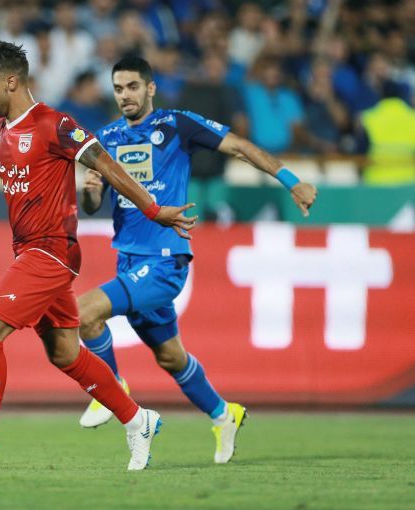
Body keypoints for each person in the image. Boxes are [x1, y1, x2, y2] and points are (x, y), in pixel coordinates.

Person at [0, 39, 197, 471]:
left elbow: (105, 164)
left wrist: (154, 210)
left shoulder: (54, 124)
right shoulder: (0, 132)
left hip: (51, 251)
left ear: (11, 82)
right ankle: (137, 419)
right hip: (29, 250)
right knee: (65, 352)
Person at [76, 56, 317, 464]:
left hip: (165, 260)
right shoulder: (107, 138)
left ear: (150, 88)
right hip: (129, 260)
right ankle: (224, 415)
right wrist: (91, 188)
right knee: (171, 357)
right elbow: (93, 204)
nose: (125, 96)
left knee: (84, 313)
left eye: (133, 87)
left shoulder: (176, 124)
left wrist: (290, 180)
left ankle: (110, 390)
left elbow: (239, 146)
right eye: (118, 89)